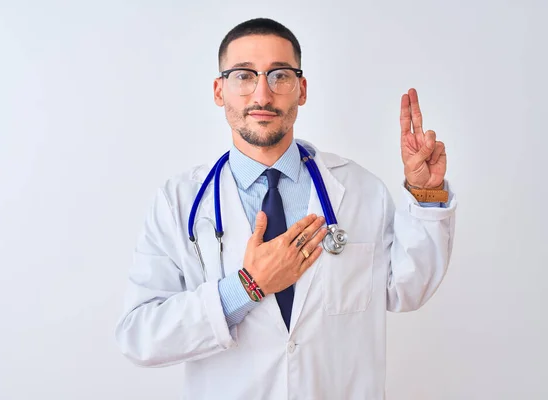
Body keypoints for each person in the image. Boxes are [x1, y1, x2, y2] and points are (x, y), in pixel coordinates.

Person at [114, 17, 457, 399]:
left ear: (302, 89)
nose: (262, 94)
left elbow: (406, 290)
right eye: (244, 76)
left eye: (280, 75)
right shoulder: (177, 202)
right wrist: (247, 287)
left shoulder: (360, 190)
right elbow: (140, 335)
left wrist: (426, 193)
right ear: (218, 90)